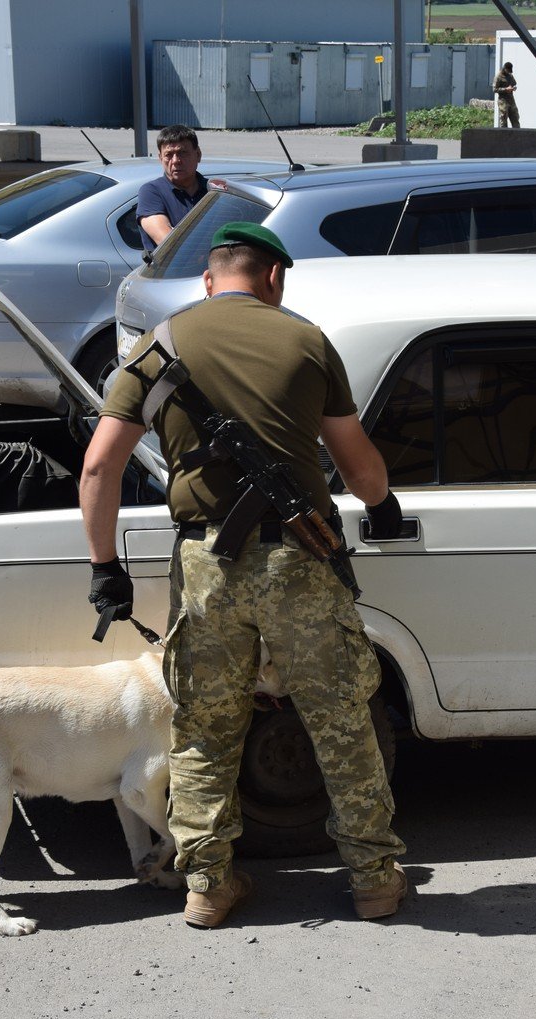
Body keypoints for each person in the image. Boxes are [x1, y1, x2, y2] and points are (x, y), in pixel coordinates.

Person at [79, 222, 410, 928]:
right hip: (301, 559)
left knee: (204, 726)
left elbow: (100, 466)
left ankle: (207, 885)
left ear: (209, 279)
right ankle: (375, 881)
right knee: (343, 722)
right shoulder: (306, 340)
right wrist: (382, 506)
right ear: (274, 279)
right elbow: (359, 467)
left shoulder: (157, 345)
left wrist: (106, 567)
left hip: (207, 564)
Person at [136, 125, 207, 253]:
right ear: (160, 158)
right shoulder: (151, 192)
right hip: (170, 272)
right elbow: (169, 243)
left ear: (198, 155)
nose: (175, 161)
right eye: (169, 155)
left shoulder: (214, 191)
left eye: (182, 153)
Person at [494, 61, 520, 129]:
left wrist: (513, 88)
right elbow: (495, 89)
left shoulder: (510, 76)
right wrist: (505, 89)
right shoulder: (498, 77)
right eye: (508, 71)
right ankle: (504, 136)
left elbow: (514, 83)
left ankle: (517, 136)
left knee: (515, 118)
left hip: (511, 100)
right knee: (503, 120)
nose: (509, 72)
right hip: (503, 101)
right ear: (505, 69)